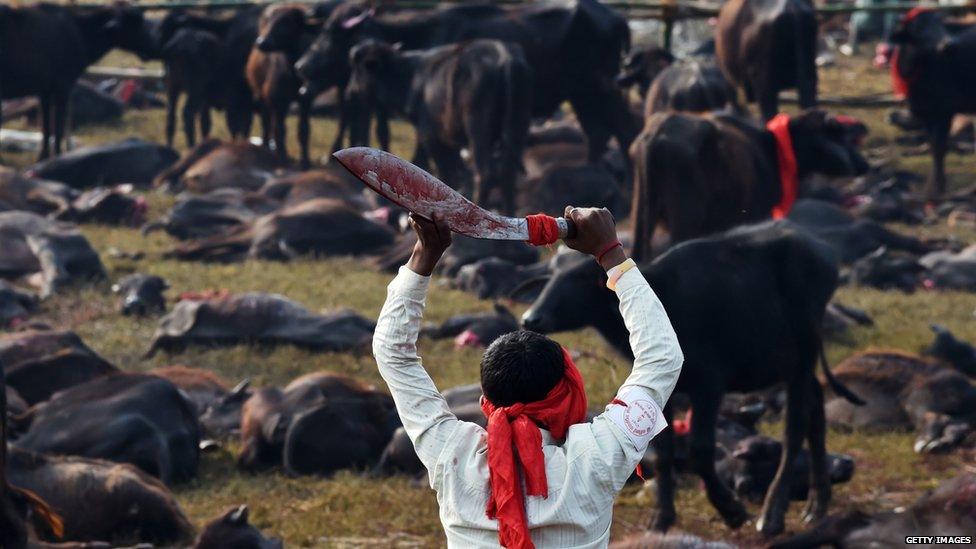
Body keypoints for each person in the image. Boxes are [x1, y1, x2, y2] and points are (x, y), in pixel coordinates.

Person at [373, 207, 683, 548]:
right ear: (567, 392)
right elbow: (662, 357)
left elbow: (393, 353)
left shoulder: (452, 453)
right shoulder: (598, 454)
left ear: (485, 402)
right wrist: (611, 254)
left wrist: (423, 254)